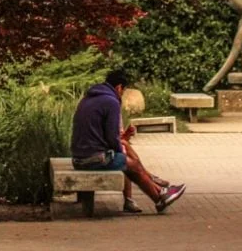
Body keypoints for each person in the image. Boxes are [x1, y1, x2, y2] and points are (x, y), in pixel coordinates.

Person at [71, 69, 186, 213]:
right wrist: (121, 153)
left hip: (79, 157)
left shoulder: (89, 98)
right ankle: (159, 197)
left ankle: (161, 194)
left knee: (129, 161)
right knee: (132, 165)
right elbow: (112, 137)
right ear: (119, 87)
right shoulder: (111, 101)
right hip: (92, 159)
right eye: (123, 91)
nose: (122, 94)